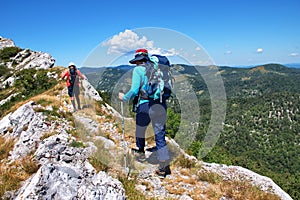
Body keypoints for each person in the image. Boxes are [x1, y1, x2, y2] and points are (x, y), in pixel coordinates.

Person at [118, 49, 171, 178]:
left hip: (145, 105)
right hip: (160, 104)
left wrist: (124, 97)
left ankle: (141, 152)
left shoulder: (138, 70)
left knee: (140, 129)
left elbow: (135, 90)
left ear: (138, 60)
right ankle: (164, 167)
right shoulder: (157, 69)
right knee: (160, 134)